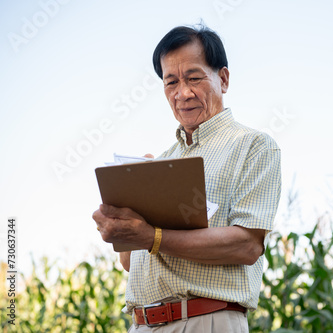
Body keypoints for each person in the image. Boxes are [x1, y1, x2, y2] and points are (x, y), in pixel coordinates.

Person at [92, 24, 281, 332]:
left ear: (223, 78)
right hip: (141, 324)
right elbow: (130, 263)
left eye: (194, 78)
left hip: (207, 320)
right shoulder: (161, 162)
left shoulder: (252, 145)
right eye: (171, 82)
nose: (182, 93)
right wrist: (123, 223)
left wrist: (151, 236)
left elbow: (247, 246)